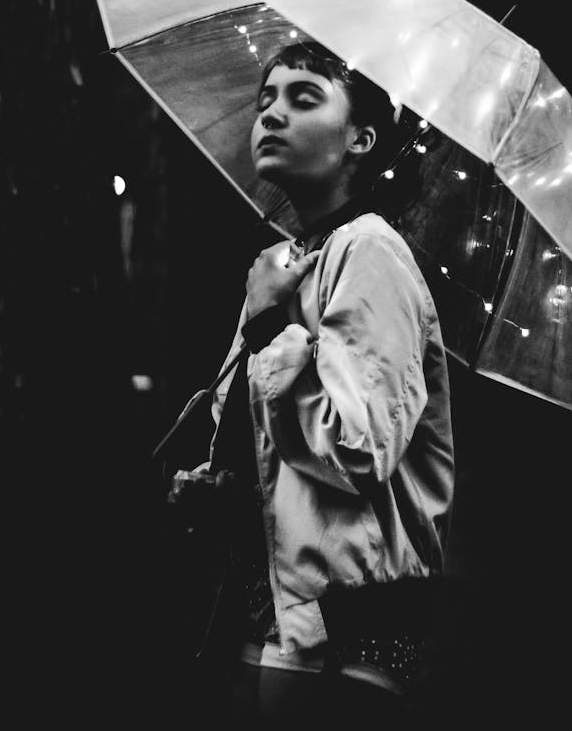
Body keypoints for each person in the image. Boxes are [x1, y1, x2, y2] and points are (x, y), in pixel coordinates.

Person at [168, 41, 455, 726]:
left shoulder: (370, 251)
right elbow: (273, 452)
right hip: (271, 616)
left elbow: (358, 451)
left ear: (361, 140)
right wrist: (216, 482)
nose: (270, 115)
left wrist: (272, 326)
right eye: (265, 99)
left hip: (346, 631)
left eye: (303, 98)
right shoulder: (284, 262)